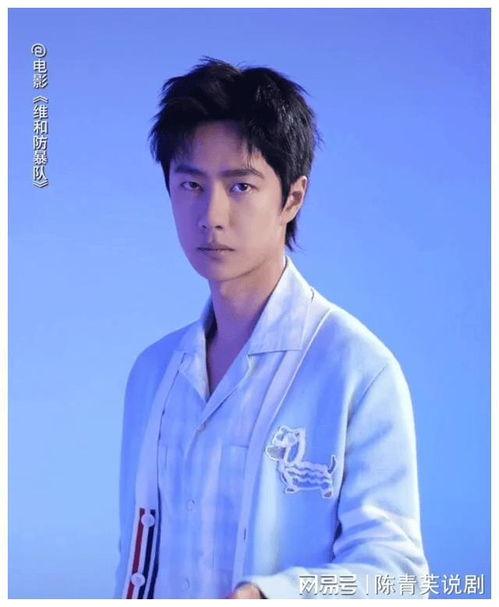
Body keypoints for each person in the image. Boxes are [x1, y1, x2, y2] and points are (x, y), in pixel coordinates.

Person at [113, 57, 429, 599]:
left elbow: (398, 578)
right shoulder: (153, 373)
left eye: (240, 186)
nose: (211, 214)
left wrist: (269, 595)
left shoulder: (358, 370)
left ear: (292, 198)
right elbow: (135, 561)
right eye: (190, 184)